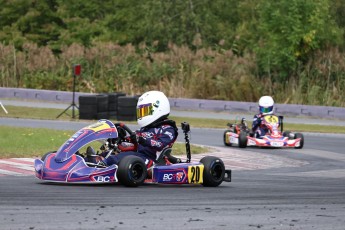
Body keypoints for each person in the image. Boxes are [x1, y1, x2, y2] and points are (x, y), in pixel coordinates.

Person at [87, 90, 179, 167]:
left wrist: (142, 139)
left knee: (122, 157)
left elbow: (160, 144)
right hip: (137, 156)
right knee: (109, 154)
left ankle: (101, 166)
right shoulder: (145, 129)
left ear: (159, 108)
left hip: (152, 161)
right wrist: (121, 139)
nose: (142, 114)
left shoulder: (168, 129)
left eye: (145, 111)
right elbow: (132, 142)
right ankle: (88, 161)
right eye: (141, 111)